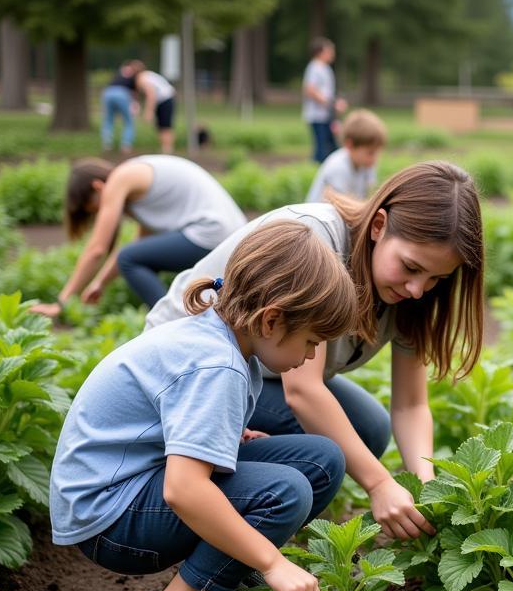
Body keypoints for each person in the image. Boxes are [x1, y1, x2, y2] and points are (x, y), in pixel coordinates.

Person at [49, 221, 359, 591]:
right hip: (107, 516)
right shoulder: (218, 365)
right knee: (285, 492)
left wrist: (228, 437)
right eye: (311, 341)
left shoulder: (225, 340)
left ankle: (226, 571)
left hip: (133, 481)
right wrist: (274, 563)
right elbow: (183, 489)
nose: (311, 356)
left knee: (321, 458)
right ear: (272, 320)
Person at [146, 161, 485, 541]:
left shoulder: (412, 297)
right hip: (186, 374)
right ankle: (213, 508)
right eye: (410, 267)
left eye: (436, 279)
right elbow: (303, 391)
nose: (418, 289)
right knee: (327, 451)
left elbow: (410, 404)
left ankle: (249, 505)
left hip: (258, 372)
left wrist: (427, 492)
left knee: (367, 426)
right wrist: (378, 485)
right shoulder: (316, 242)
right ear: (379, 226)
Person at [30, 155, 247, 315]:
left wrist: (60, 302)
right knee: (132, 257)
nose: (99, 212)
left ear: (98, 187)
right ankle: (183, 319)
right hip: (227, 232)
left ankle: (173, 322)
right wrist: (100, 283)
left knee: (129, 258)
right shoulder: (140, 190)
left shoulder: (120, 178)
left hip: (212, 231)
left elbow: (97, 250)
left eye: (93, 208)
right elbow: (139, 247)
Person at [305, 109, 387, 202]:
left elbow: (369, 196)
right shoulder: (338, 167)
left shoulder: (366, 165)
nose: (375, 158)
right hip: (322, 215)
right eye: (370, 153)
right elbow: (344, 208)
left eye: (378, 153)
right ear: (350, 145)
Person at [302, 37, 347, 163]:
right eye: (330, 50)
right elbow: (310, 90)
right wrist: (332, 104)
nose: (332, 53)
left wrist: (336, 103)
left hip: (327, 115)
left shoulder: (325, 68)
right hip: (317, 115)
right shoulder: (314, 67)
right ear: (321, 51)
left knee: (331, 145)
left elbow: (327, 92)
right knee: (322, 147)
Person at [100, 60, 141, 154]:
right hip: (123, 94)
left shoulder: (120, 71)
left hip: (107, 92)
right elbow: (134, 93)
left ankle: (107, 143)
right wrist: (135, 104)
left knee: (108, 120)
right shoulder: (135, 76)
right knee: (128, 121)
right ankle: (126, 145)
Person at [134, 67, 177, 154]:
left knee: (165, 126)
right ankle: (166, 148)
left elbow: (151, 94)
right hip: (165, 99)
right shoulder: (148, 74)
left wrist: (148, 112)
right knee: (162, 126)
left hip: (165, 100)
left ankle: (167, 150)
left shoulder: (142, 78)